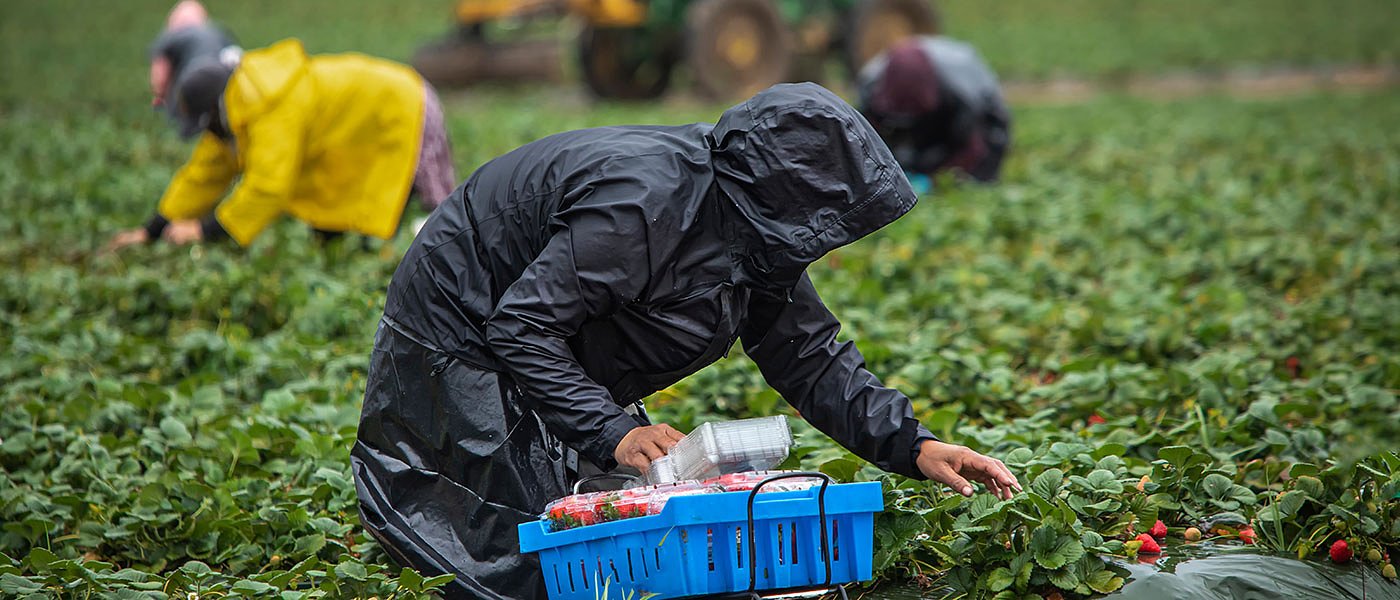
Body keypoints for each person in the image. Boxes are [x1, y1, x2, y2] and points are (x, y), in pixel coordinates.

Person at [351, 83, 1021, 600]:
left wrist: (915, 444)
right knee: (516, 540)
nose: (829, 236)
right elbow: (521, 325)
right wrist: (611, 431)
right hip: (460, 315)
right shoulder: (642, 206)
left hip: (549, 326)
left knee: (592, 503)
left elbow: (810, 358)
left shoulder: (758, 236)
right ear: (784, 194)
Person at [107, 37, 456, 250]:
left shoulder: (273, 105)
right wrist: (153, 229)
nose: (207, 136)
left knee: (436, 213)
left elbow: (269, 187)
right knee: (338, 227)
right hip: (360, 124)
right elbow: (205, 172)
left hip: (406, 105)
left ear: (213, 112)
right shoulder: (236, 108)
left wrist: (203, 230)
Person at [857, 36, 1011, 191]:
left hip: (972, 104)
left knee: (981, 169)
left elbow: (973, 145)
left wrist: (937, 178)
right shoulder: (871, 80)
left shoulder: (961, 81)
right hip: (926, 105)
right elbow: (866, 137)